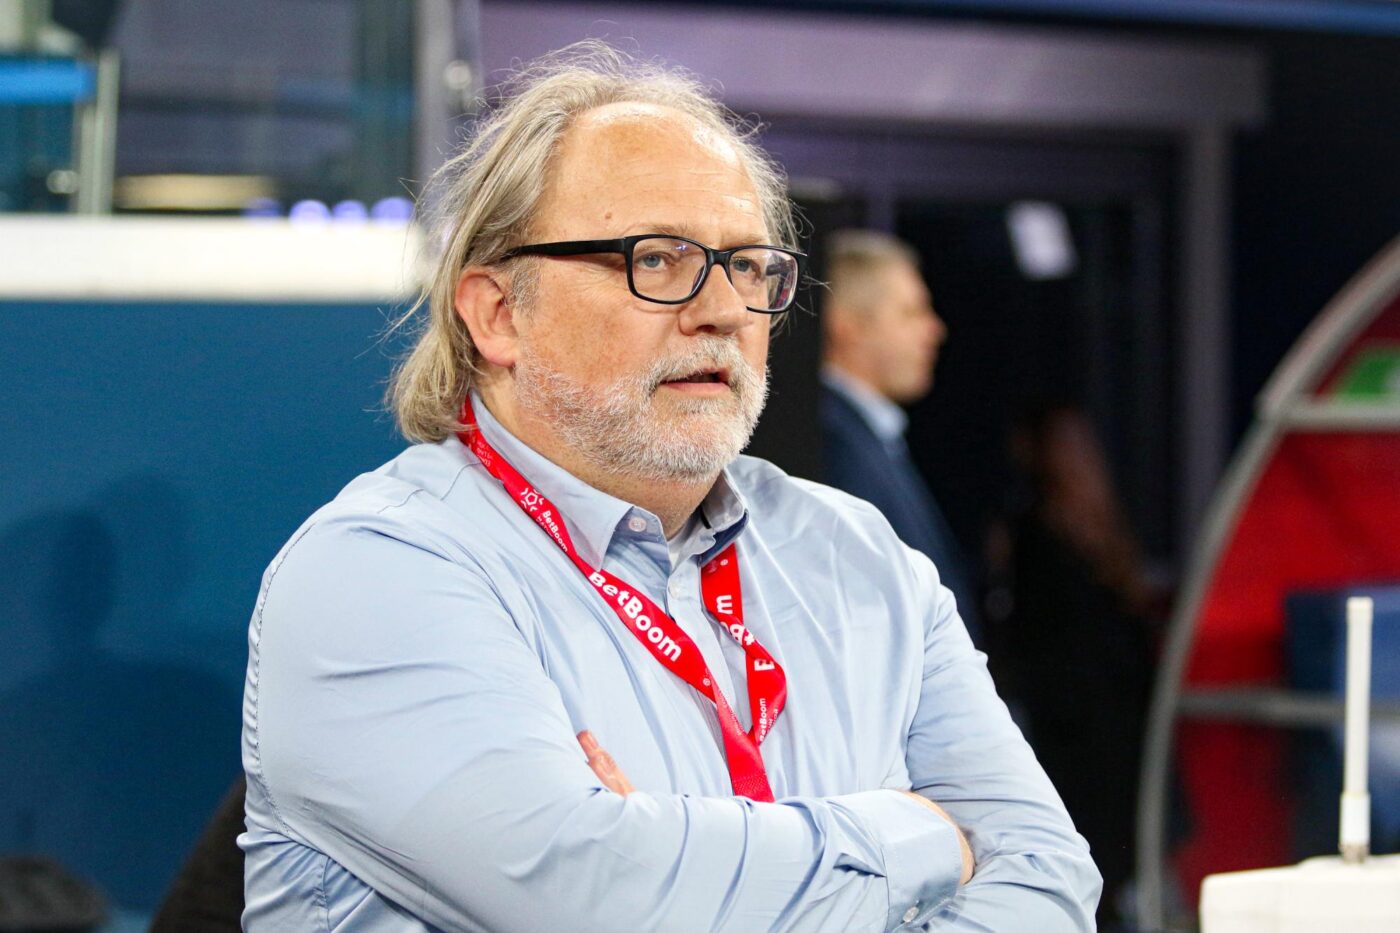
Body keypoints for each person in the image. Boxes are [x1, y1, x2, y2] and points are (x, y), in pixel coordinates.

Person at [239, 44, 1100, 931]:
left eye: (749, 265)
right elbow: (601, 900)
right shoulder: (377, 572)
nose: (723, 309)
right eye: (656, 259)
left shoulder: (857, 554)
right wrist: (917, 837)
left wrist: (680, 859)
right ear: (498, 313)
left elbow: (1048, 878)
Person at [989, 404, 1160, 931]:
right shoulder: (1104, 531)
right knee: (1116, 868)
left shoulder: (1033, 535)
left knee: (1083, 866)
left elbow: (1032, 639)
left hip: (1071, 736)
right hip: (1120, 728)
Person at [819, 230, 981, 642]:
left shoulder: (864, 435)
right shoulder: (833, 444)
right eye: (911, 312)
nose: (934, 330)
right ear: (847, 325)